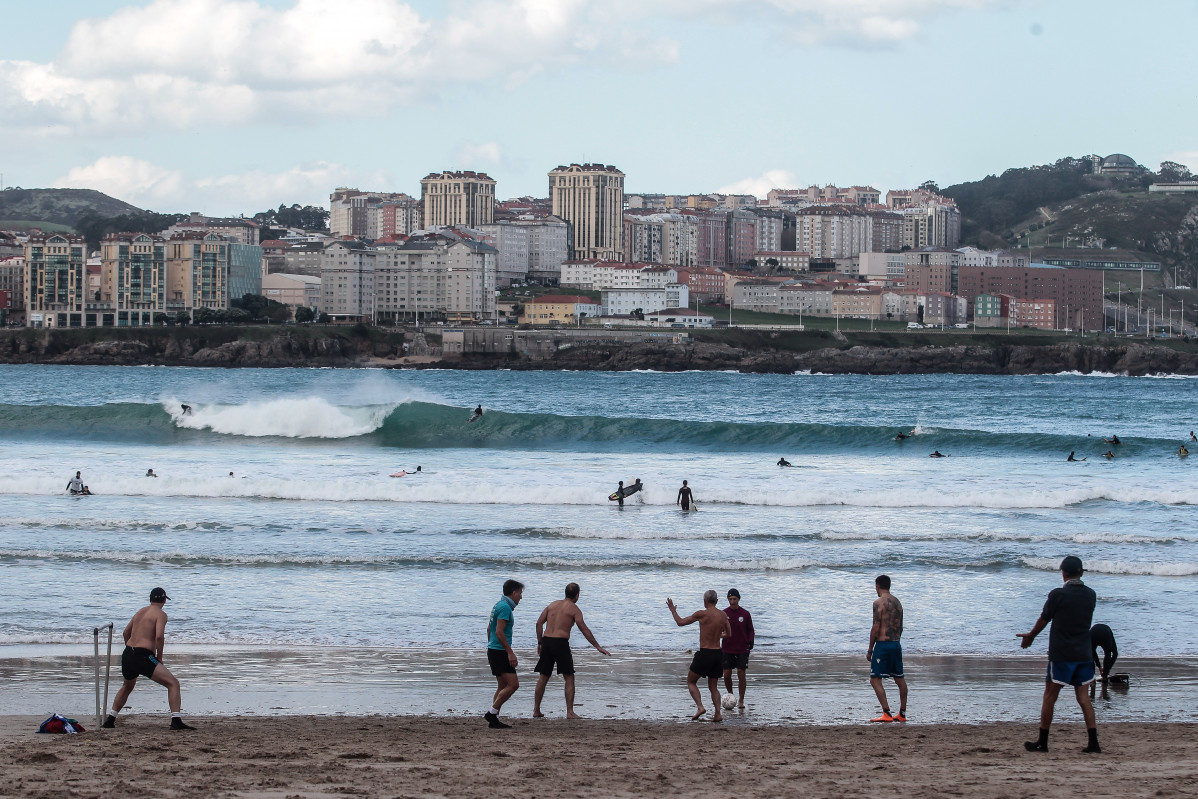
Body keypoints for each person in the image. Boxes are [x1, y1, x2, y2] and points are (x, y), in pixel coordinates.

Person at [1017, 555, 1100, 754]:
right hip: (1084, 653)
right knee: (1083, 698)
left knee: (1050, 697)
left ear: (1063, 573)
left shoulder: (1057, 595)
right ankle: (1093, 743)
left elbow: (1045, 619)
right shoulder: (1091, 595)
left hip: (1062, 654)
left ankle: (1042, 742)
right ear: (1081, 572)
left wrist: (1031, 636)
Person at [101, 587, 194, 730]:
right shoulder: (161, 614)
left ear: (151, 599)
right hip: (143, 655)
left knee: (127, 686)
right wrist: (159, 657)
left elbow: (126, 632)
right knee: (173, 683)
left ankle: (110, 719)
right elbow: (159, 637)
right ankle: (176, 720)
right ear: (164, 600)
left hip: (128, 653)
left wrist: (131, 649)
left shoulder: (140, 611)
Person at [532, 583, 610, 719]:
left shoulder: (552, 605)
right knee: (569, 677)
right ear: (577, 595)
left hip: (547, 641)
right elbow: (584, 629)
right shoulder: (574, 609)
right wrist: (597, 646)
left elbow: (539, 623)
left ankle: (536, 710)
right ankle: (570, 712)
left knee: (543, 676)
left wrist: (540, 642)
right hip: (560, 643)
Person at [667, 590, 731, 722]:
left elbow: (680, 622)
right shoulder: (723, 615)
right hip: (718, 653)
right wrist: (717, 635)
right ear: (717, 601)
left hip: (705, 653)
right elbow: (729, 634)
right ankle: (718, 713)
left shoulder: (702, 614)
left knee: (691, 681)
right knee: (713, 687)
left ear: (705, 601)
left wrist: (673, 611)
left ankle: (700, 706)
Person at [868, 574, 907, 723]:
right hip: (896, 644)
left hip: (883, 645)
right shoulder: (898, 603)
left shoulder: (878, 603)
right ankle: (902, 713)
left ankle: (886, 713)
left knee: (875, 679)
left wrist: (870, 649)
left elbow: (876, 627)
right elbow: (901, 627)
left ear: (877, 586)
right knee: (899, 678)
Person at [485, 579, 523, 729]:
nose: (521, 597)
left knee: (502, 685)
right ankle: (492, 713)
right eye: (520, 593)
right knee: (513, 684)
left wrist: (491, 646)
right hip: (499, 651)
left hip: (494, 649)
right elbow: (498, 632)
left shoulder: (498, 605)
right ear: (513, 593)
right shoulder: (505, 608)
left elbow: (489, 629)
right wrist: (510, 653)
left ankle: (494, 719)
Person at [721, 589, 755, 709]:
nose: (732, 601)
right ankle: (730, 696)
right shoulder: (723, 613)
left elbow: (750, 630)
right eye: (730, 599)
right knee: (726, 674)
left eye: (734, 599)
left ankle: (741, 699)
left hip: (742, 648)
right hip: (727, 648)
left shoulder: (745, 614)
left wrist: (751, 641)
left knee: (741, 673)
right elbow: (718, 630)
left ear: (738, 599)